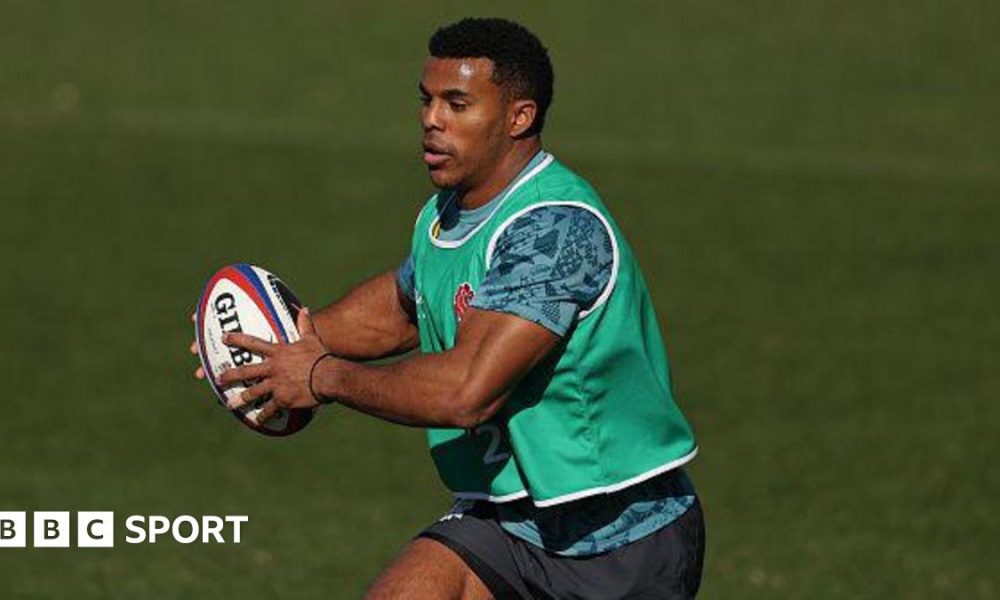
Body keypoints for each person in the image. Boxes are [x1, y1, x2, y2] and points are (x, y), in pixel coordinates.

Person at [201, 17, 705, 599]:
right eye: (427, 99)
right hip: (504, 521)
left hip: (619, 540)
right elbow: (403, 305)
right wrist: (276, 343)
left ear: (520, 116)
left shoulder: (554, 231)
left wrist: (320, 376)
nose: (430, 119)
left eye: (457, 104)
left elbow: (468, 392)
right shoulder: (451, 212)